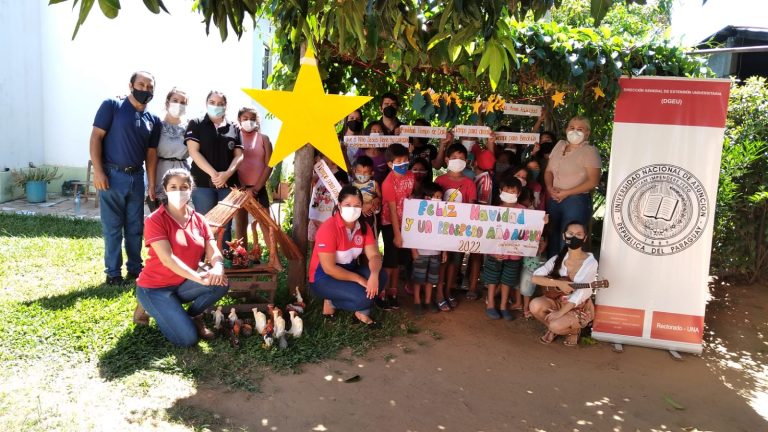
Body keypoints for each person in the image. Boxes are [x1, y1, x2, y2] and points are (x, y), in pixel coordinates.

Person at [135, 168, 229, 347]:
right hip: (154, 288)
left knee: (221, 282)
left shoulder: (199, 219)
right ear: (165, 189)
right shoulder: (155, 220)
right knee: (188, 340)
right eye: (173, 187)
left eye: (184, 187)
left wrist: (218, 267)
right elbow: (167, 259)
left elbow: (213, 250)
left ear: (191, 189)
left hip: (182, 284)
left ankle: (191, 315)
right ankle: (149, 304)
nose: (179, 191)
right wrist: (199, 278)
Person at [90, 70, 161, 285]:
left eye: (150, 87)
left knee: (135, 228)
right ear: (131, 86)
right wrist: (98, 171)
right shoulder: (112, 106)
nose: (145, 90)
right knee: (112, 228)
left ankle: (135, 270)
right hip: (112, 175)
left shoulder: (153, 120)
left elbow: (151, 154)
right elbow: (96, 137)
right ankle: (113, 274)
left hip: (137, 178)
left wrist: (151, 183)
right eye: (141, 85)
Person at [309, 186, 387, 327]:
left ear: (362, 207)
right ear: (339, 206)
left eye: (357, 205)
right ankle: (331, 300)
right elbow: (329, 269)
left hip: (349, 271)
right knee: (364, 296)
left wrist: (374, 276)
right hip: (323, 277)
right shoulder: (328, 228)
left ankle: (361, 311)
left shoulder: (363, 227)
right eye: (347, 205)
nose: (352, 209)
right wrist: (360, 280)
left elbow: (374, 255)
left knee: (381, 276)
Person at [530, 221, 598, 346]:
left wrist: (559, 314)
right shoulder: (558, 258)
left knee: (556, 325)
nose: (573, 237)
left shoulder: (590, 262)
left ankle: (573, 331)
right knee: (535, 306)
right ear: (564, 236)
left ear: (585, 238)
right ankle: (553, 328)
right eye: (570, 233)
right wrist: (558, 283)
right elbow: (535, 278)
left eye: (578, 234)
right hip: (557, 300)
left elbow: (581, 293)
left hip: (577, 306)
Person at [544, 116, 601, 257]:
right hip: (554, 198)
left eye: (580, 129)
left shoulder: (590, 151)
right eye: (572, 127)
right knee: (552, 234)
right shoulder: (559, 145)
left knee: (570, 238)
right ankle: (553, 271)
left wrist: (566, 192)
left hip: (576, 201)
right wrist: (550, 188)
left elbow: (593, 181)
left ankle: (567, 273)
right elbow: (548, 171)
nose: (575, 131)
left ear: (587, 133)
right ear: (566, 129)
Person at [434, 143, 477, 311]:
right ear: (446, 160)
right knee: (442, 261)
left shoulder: (469, 183)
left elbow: (471, 206)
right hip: (441, 228)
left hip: (459, 229)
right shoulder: (440, 180)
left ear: (466, 161)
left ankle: (448, 290)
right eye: (453, 158)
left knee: (455, 262)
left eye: (461, 158)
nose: (457, 161)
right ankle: (438, 293)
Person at [482, 176, 525, 320]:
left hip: (514, 255)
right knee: (492, 279)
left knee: (508, 280)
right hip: (495, 254)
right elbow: (487, 235)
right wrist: (491, 253)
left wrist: (542, 221)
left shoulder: (525, 211)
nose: (510, 194)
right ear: (500, 191)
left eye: (513, 191)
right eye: (507, 191)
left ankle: (503, 306)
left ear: (518, 193)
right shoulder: (493, 211)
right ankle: (490, 305)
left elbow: (531, 230)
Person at [380, 143, 416, 310]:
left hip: (405, 224)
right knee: (390, 262)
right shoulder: (388, 183)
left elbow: (409, 199)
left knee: (398, 262)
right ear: (390, 164)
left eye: (405, 160)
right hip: (390, 224)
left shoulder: (411, 176)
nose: (403, 164)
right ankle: (382, 293)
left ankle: (393, 293)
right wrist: (397, 234)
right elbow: (393, 211)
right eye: (399, 161)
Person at [234, 107, 272, 252]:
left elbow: (270, 164)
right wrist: (243, 188)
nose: (248, 121)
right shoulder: (235, 137)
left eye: (252, 118)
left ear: (257, 121)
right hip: (239, 188)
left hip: (259, 188)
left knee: (266, 224)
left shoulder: (264, 139)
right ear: (239, 120)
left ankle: (274, 259)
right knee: (241, 224)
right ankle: (241, 257)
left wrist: (256, 189)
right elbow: (233, 164)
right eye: (245, 118)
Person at [148, 87, 190, 212]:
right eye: (175, 100)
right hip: (160, 174)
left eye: (183, 102)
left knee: (179, 217)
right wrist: (151, 184)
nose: (179, 104)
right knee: (160, 217)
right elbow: (151, 155)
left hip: (182, 175)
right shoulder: (156, 125)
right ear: (167, 102)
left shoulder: (190, 126)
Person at [410, 182, 447, 314]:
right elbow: (411, 233)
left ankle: (427, 300)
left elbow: (446, 233)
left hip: (436, 252)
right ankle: (416, 301)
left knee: (431, 279)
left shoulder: (442, 215)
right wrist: (413, 250)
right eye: (436, 196)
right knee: (418, 278)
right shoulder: (418, 214)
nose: (439, 199)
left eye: (440, 197)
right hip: (420, 252)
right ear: (426, 198)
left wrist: (444, 251)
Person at [465, 149, 496, 301]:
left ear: (475, 162)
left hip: (478, 222)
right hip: (474, 220)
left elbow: (480, 205)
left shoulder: (485, 181)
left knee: (476, 255)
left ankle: (472, 287)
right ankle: (468, 281)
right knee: (472, 255)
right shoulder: (481, 177)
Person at [308, 152, 349, 251]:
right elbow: (310, 181)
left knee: (326, 245)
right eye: (324, 160)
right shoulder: (318, 174)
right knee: (313, 246)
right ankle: (311, 264)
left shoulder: (342, 175)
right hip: (315, 215)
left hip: (329, 218)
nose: (327, 162)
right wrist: (319, 169)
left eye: (330, 160)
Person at [351, 155, 381, 236]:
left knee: (370, 235)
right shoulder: (352, 185)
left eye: (365, 172)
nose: (362, 174)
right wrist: (361, 207)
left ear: (372, 173)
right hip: (356, 215)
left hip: (370, 215)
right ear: (354, 171)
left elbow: (380, 198)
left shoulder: (374, 184)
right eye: (359, 171)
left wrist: (376, 200)